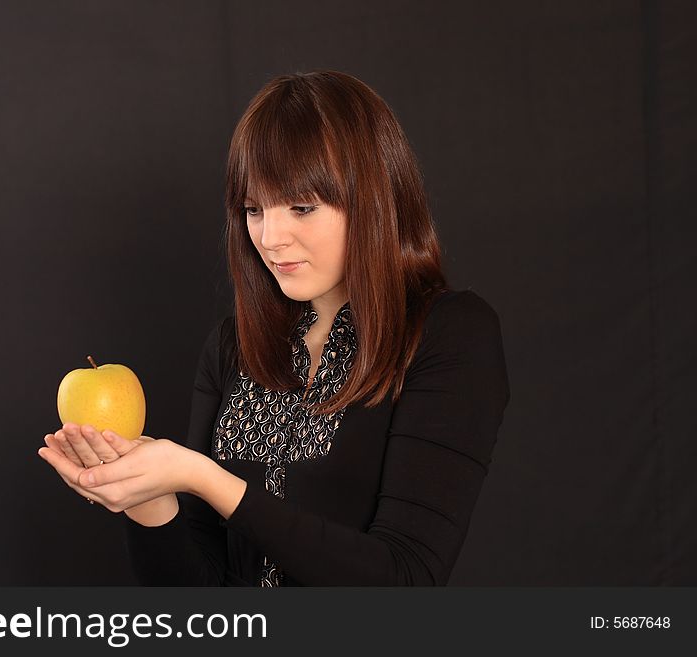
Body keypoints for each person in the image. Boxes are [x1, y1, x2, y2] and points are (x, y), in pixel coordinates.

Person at [37, 70, 511, 586]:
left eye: (302, 207)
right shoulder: (234, 346)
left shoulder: (449, 334)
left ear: (375, 198)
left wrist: (206, 479)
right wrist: (148, 498)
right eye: (254, 209)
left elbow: (406, 578)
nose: (270, 236)